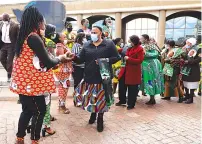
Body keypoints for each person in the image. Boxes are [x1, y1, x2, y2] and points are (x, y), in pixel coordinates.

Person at [10, 7, 71, 144]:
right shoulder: (33, 38)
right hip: (32, 83)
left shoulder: (23, 37)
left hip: (23, 82)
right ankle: (35, 140)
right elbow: (48, 62)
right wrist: (62, 58)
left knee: (27, 111)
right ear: (37, 22)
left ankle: (20, 138)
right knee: (40, 111)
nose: (44, 25)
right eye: (43, 22)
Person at [73, 26, 120, 132]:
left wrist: (105, 60)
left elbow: (117, 57)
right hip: (90, 76)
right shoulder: (86, 45)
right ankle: (93, 114)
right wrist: (74, 57)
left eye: (95, 32)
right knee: (92, 97)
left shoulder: (108, 44)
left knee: (102, 98)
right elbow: (81, 59)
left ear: (101, 33)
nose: (93, 34)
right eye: (92, 32)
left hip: (104, 77)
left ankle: (100, 118)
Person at [116, 35, 144, 109]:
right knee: (121, 86)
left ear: (134, 41)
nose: (129, 42)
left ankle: (131, 104)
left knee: (132, 88)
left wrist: (129, 59)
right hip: (125, 70)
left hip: (133, 71)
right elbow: (120, 50)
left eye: (130, 41)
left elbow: (140, 60)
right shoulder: (128, 47)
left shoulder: (140, 49)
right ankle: (122, 100)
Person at [140, 34, 164, 105]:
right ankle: (150, 96)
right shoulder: (142, 46)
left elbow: (156, 54)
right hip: (145, 66)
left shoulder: (152, 46)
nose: (140, 40)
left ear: (146, 39)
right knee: (146, 81)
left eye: (141, 38)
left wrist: (145, 53)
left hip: (152, 66)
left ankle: (152, 98)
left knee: (152, 80)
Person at [54, 33, 73, 114]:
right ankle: (62, 106)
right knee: (63, 87)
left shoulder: (62, 45)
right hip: (62, 70)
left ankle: (61, 105)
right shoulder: (59, 46)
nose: (65, 38)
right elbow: (62, 58)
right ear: (59, 38)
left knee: (64, 86)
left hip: (65, 69)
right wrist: (71, 58)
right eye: (64, 37)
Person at [0, 13, 19, 82]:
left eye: (5, 20)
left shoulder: (15, 25)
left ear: (9, 18)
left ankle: (9, 75)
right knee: (2, 59)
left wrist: (18, 46)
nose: (4, 21)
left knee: (9, 61)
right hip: (4, 44)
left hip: (11, 45)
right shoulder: (1, 24)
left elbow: (18, 36)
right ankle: (11, 72)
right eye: (3, 20)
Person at [181, 38, 201, 104]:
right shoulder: (186, 49)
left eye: (187, 43)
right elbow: (184, 57)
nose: (186, 44)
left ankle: (191, 98)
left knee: (192, 84)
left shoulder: (198, 49)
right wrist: (183, 51)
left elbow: (199, 59)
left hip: (193, 69)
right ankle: (187, 96)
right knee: (186, 82)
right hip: (186, 68)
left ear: (191, 43)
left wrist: (189, 61)